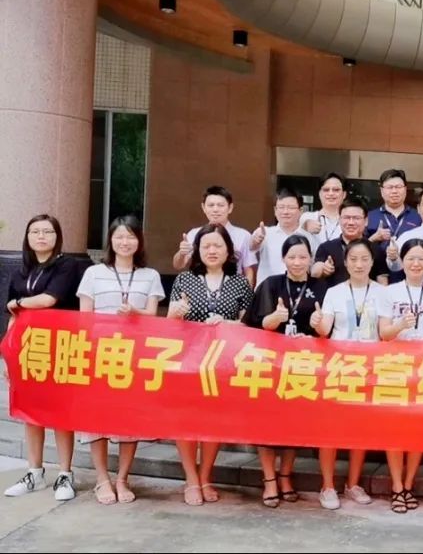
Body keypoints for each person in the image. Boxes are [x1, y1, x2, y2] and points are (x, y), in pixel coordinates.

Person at [76, 216, 165, 505]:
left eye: (131, 237)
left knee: (130, 418)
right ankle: (102, 479)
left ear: (139, 241)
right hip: (100, 354)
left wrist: (135, 314)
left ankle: (123, 478)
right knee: (96, 418)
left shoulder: (150, 275)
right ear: (110, 241)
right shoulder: (93, 273)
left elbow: (153, 317)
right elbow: (85, 318)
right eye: (119, 237)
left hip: (134, 357)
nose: (125, 242)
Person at [167, 223, 255, 506]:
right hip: (188, 361)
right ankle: (191, 479)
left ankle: (206, 476)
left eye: (218, 245)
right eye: (206, 246)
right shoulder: (185, 280)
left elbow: (249, 325)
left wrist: (228, 323)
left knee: (212, 421)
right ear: (197, 250)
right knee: (185, 420)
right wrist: (175, 314)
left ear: (229, 250)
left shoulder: (239, 283)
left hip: (223, 364)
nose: (212, 251)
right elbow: (171, 324)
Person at [4, 215, 82, 502]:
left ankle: (65, 473)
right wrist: (9, 355)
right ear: (27, 237)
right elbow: (12, 319)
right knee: (31, 411)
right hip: (28, 350)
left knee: (61, 411)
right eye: (35, 231)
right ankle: (34, 473)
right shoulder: (20, 271)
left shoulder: (67, 265)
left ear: (57, 236)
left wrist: (18, 303)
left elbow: (49, 299)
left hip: (60, 347)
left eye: (47, 231)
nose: (41, 236)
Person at [246, 235, 327, 508]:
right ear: (283, 258)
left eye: (303, 257)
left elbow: (327, 331)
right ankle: (269, 479)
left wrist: (316, 329)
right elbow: (254, 326)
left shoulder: (321, 287)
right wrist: (273, 319)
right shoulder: (270, 285)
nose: (297, 262)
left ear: (311, 258)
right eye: (292, 257)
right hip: (270, 366)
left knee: (294, 425)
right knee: (266, 426)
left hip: (303, 369)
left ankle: (285, 476)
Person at [377, 239, 423, 513]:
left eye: (421, 259)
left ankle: (408, 484)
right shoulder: (389, 292)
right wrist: (400, 325)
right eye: (410, 258)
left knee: (418, 430)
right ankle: (397, 486)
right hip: (396, 367)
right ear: (402, 261)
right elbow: (383, 333)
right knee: (394, 431)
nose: (416, 264)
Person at [313, 238, 383, 509]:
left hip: (370, 369)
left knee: (360, 429)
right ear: (345, 262)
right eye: (353, 259)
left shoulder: (382, 293)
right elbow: (326, 329)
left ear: (372, 262)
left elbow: (385, 331)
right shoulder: (334, 292)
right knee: (330, 428)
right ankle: (327, 485)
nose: (359, 264)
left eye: (364, 259)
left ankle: (353, 484)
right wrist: (317, 324)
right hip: (338, 368)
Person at [172, 185, 258, 284]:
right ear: (203, 207)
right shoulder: (194, 234)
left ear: (230, 208)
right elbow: (178, 265)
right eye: (211, 205)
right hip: (199, 288)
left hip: (232, 288)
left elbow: (249, 271)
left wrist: (246, 292)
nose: (215, 209)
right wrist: (181, 253)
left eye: (220, 205)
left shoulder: (243, 235)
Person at [312, 197, 389, 287]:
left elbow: (382, 282)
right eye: (346, 218)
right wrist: (323, 268)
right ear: (339, 219)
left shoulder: (376, 249)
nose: (351, 222)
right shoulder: (326, 247)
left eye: (356, 218)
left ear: (366, 221)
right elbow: (314, 272)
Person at [252, 188, 317, 287]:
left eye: (291, 208)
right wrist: (255, 241)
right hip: (267, 291)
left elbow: (313, 265)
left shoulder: (308, 238)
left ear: (300, 211)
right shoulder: (264, 233)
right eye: (281, 207)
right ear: (275, 210)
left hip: (298, 291)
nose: (285, 212)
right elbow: (251, 247)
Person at [365, 168, 421, 253]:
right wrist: (373, 238)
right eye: (389, 187)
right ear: (382, 191)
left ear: (405, 189)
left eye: (398, 187)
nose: (394, 191)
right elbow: (359, 248)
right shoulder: (370, 216)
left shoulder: (418, 216)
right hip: (377, 261)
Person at [300, 172, 346, 245]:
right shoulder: (307, 217)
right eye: (326, 190)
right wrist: (304, 227)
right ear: (319, 193)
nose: (331, 193)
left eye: (336, 190)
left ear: (344, 194)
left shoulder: (349, 220)